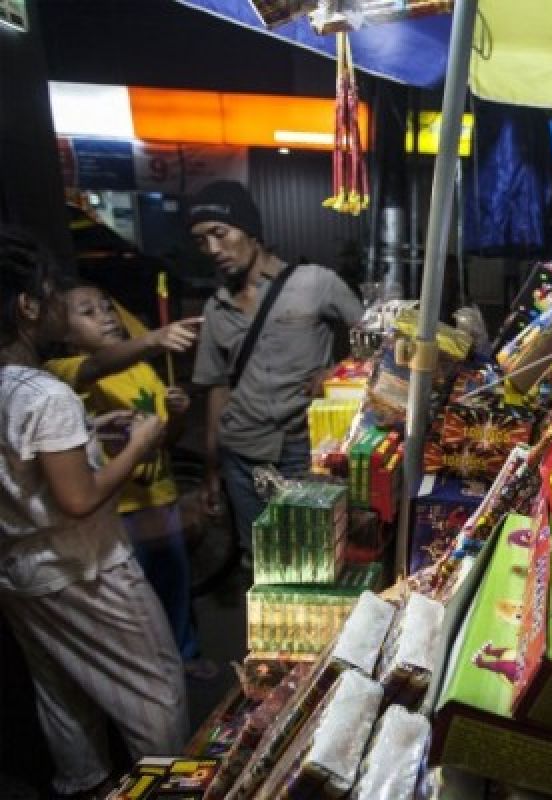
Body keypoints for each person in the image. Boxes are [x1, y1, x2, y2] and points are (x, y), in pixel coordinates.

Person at [0, 227, 188, 798]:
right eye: (53, 293)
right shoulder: (45, 394)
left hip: (22, 576)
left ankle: (83, 786)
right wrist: (140, 442)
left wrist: (88, 433)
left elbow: (25, 467)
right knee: (156, 689)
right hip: (86, 569)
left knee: (62, 693)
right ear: (29, 305)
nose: (61, 303)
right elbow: (78, 499)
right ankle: (169, 789)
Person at [186, 181, 364, 560]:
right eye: (202, 241)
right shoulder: (216, 308)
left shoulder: (314, 282)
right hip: (241, 454)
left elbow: (374, 340)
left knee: (315, 553)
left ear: (250, 231)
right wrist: (212, 468)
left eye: (220, 233)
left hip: (303, 448)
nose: (213, 250)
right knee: (260, 559)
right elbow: (217, 388)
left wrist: (339, 372)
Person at [44, 285, 213, 678]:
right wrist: (153, 338)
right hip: (118, 507)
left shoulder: (142, 370)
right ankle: (152, 671)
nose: (106, 315)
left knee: (174, 583)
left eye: (108, 306)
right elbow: (96, 367)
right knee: (138, 600)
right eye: (88, 311)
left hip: (160, 495)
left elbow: (167, 439)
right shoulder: (64, 372)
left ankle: (184, 655)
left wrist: (179, 415)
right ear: (63, 332)